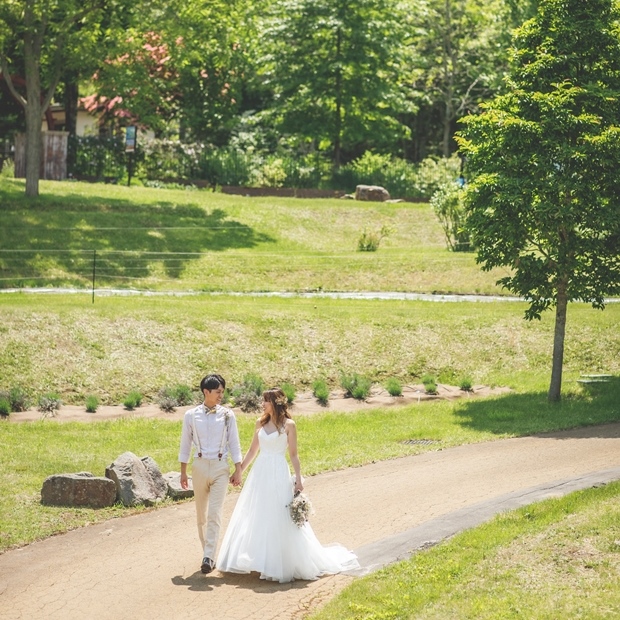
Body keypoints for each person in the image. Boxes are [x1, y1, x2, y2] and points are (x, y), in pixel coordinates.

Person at [217, 387, 359, 583]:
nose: (262, 404)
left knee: (279, 513)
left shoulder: (289, 425)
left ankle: (280, 561)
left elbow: (293, 454)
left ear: (275, 402)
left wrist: (299, 478)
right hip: (260, 473)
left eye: (265, 401)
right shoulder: (260, 422)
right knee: (259, 512)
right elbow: (252, 451)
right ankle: (259, 559)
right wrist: (239, 470)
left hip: (278, 470)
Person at [179, 374, 242, 575]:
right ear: (206, 392)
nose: (221, 395)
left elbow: (234, 442)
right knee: (201, 515)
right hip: (198, 466)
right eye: (218, 392)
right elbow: (185, 444)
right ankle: (208, 551)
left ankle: (208, 557)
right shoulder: (190, 415)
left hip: (220, 467)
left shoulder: (227, 415)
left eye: (223, 392)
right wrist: (183, 471)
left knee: (214, 512)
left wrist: (238, 468)